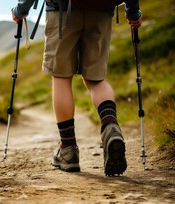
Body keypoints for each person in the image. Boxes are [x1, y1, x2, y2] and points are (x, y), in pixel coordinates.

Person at [11, 0, 143, 176]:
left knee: (61, 77)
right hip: (101, 12)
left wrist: (20, 10)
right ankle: (110, 126)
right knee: (96, 80)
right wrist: (133, 12)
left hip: (61, 10)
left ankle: (68, 150)